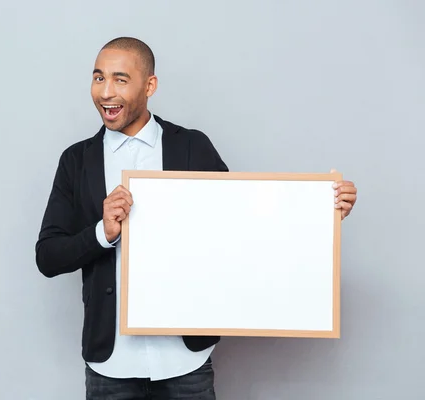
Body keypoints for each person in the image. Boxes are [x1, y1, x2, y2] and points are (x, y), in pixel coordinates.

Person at [35, 37, 358, 399]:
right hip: (110, 365)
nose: (106, 92)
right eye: (98, 78)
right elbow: (48, 256)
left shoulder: (192, 146)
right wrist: (102, 232)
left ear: (150, 85)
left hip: (185, 362)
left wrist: (322, 213)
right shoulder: (76, 161)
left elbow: (246, 228)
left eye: (120, 79)